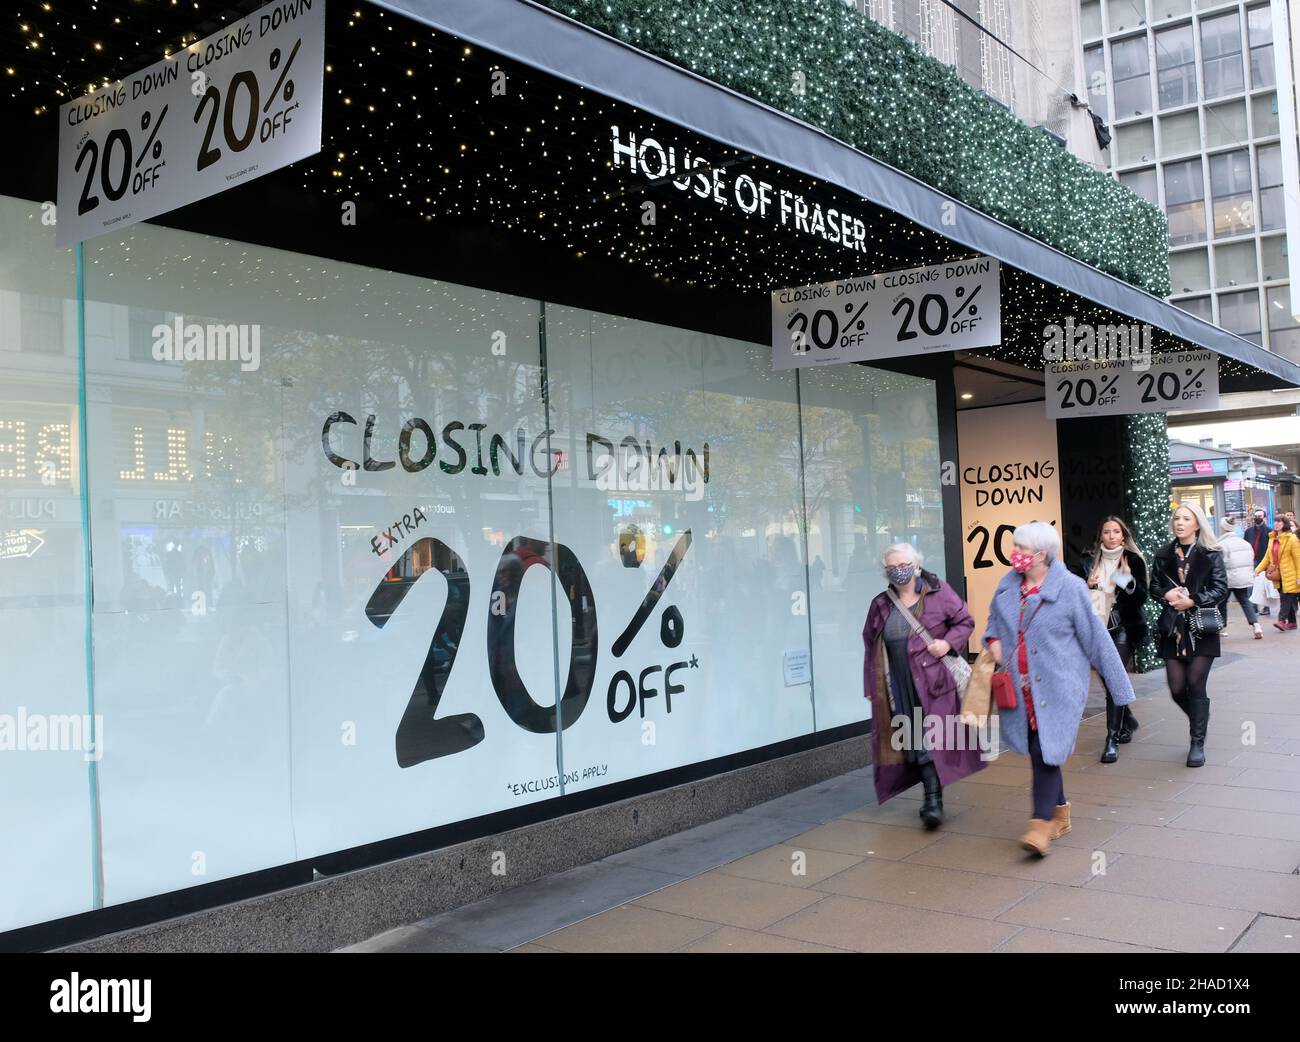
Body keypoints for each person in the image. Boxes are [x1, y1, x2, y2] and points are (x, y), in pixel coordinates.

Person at [984, 522, 1135, 857]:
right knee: (1044, 748)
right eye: (1016, 547)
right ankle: (1061, 812)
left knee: (1044, 753)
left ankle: (1039, 825)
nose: (1016, 554)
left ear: (1042, 554)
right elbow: (992, 623)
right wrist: (993, 641)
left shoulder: (1069, 588)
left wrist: (1119, 688)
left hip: (1059, 688)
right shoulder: (1007, 585)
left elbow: (1096, 638)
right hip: (1019, 688)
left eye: (1022, 549)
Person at [862, 543, 982, 829]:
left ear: (916, 565)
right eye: (892, 567)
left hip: (933, 681)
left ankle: (932, 800)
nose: (899, 571)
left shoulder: (939, 593)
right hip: (898, 682)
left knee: (931, 737)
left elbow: (965, 621)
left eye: (904, 565)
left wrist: (947, 643)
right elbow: (870, 642)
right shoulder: (881, 603)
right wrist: (873, 685)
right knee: (912, 738)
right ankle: (931, 793)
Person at [1150, 503, 1227, 768]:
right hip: (1173, 628)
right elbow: (1154, 587)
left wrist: (1193, 600)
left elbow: (1221, 589)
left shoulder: (1211, 553)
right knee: (1176, 688)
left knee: (1195, 682)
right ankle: (1199, 719)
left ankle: (1197, 742)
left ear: (1197, 524)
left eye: (1186, 518)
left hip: (1202, 627)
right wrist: (1166, 595)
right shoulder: (1163, 554)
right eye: (1176, 518)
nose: (1179, 522)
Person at [1079, 516, 1149, 763]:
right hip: (1094, 627)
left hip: (1122, 627)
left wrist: (1126, 579)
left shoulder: (1133, 560)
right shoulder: (1088, 561)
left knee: (1113, 676)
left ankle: (1111, 739)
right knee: (1110, 682)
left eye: (1116, 531)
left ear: (1123, 535)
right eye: (1106, 531)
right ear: (1101, 535)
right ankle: (1126, 718)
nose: (1111, 536)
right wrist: (1086, 584)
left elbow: (1141, 598)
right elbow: (1074, 592)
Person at [1218, 518, 1264, 639]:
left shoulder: (1221, 544)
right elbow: (1251, 558)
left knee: (1222, 602)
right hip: (1242, 578)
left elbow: (1220, 563)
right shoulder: (1244, 543)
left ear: (1223, 528)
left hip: (1227, 578)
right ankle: (1256, 624)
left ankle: (1222, 627)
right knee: (1244, 600)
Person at [1255, 516, 1300, 631]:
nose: (1276, 524)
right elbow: (1267, 557)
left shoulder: (1292, 539)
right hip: (1277, 574)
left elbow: (1298, 559)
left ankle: (1281, 620)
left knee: (1286, 598)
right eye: (1275, 521)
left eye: (1279, 522)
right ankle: (1292, 622)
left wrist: (1299, 576)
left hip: (1290, 574)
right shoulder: (1272, 539)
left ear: (1284, 524)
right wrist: (1258, 569)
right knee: (1285, 597)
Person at [1246, 509, 1272, 614]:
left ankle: (1266, 607)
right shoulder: (1248, 532)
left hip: (1264, 561)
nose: (1257, 518)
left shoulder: (1269, 531)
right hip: (1252, 561)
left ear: (1264, 518)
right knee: (1251, 585)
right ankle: (1253, 607)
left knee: (1265, 585)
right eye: (1256, 516)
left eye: (1260, 516)